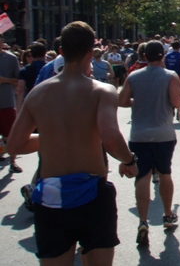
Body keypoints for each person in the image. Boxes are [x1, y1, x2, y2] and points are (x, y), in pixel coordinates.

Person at [7, 21, 138, 266]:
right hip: (93, 193)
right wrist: (130, 160)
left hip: (51, 196)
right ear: (91, 51)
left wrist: (55, 136)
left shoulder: (38, 93)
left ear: (61, 52)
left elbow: (14, 145)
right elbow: (110, 137)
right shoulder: (102, 90)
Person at [118, 40, 180, 245]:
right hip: (163, 133)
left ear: (144, 56)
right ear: (162, 55)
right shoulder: (170, 76)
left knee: (142, 176)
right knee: (165, 173)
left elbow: (122, 101)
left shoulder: (134, 76)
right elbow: (176, 102)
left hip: (138, 134)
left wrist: (138, 101)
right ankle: (167, 214)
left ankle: (143, 220)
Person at [0, 33, 22, 173]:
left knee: (10, 133)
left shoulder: (11, 58)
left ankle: (13, 161)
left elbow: (18, 81)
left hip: (6, 101)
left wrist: (4, 80)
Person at [16, 42, 47, 113]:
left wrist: (18, 111)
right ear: (45, 53)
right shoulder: (50, 68)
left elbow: (21, 90)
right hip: (48, 102)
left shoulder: (24, 70)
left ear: (32, 55)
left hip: (31, 101)